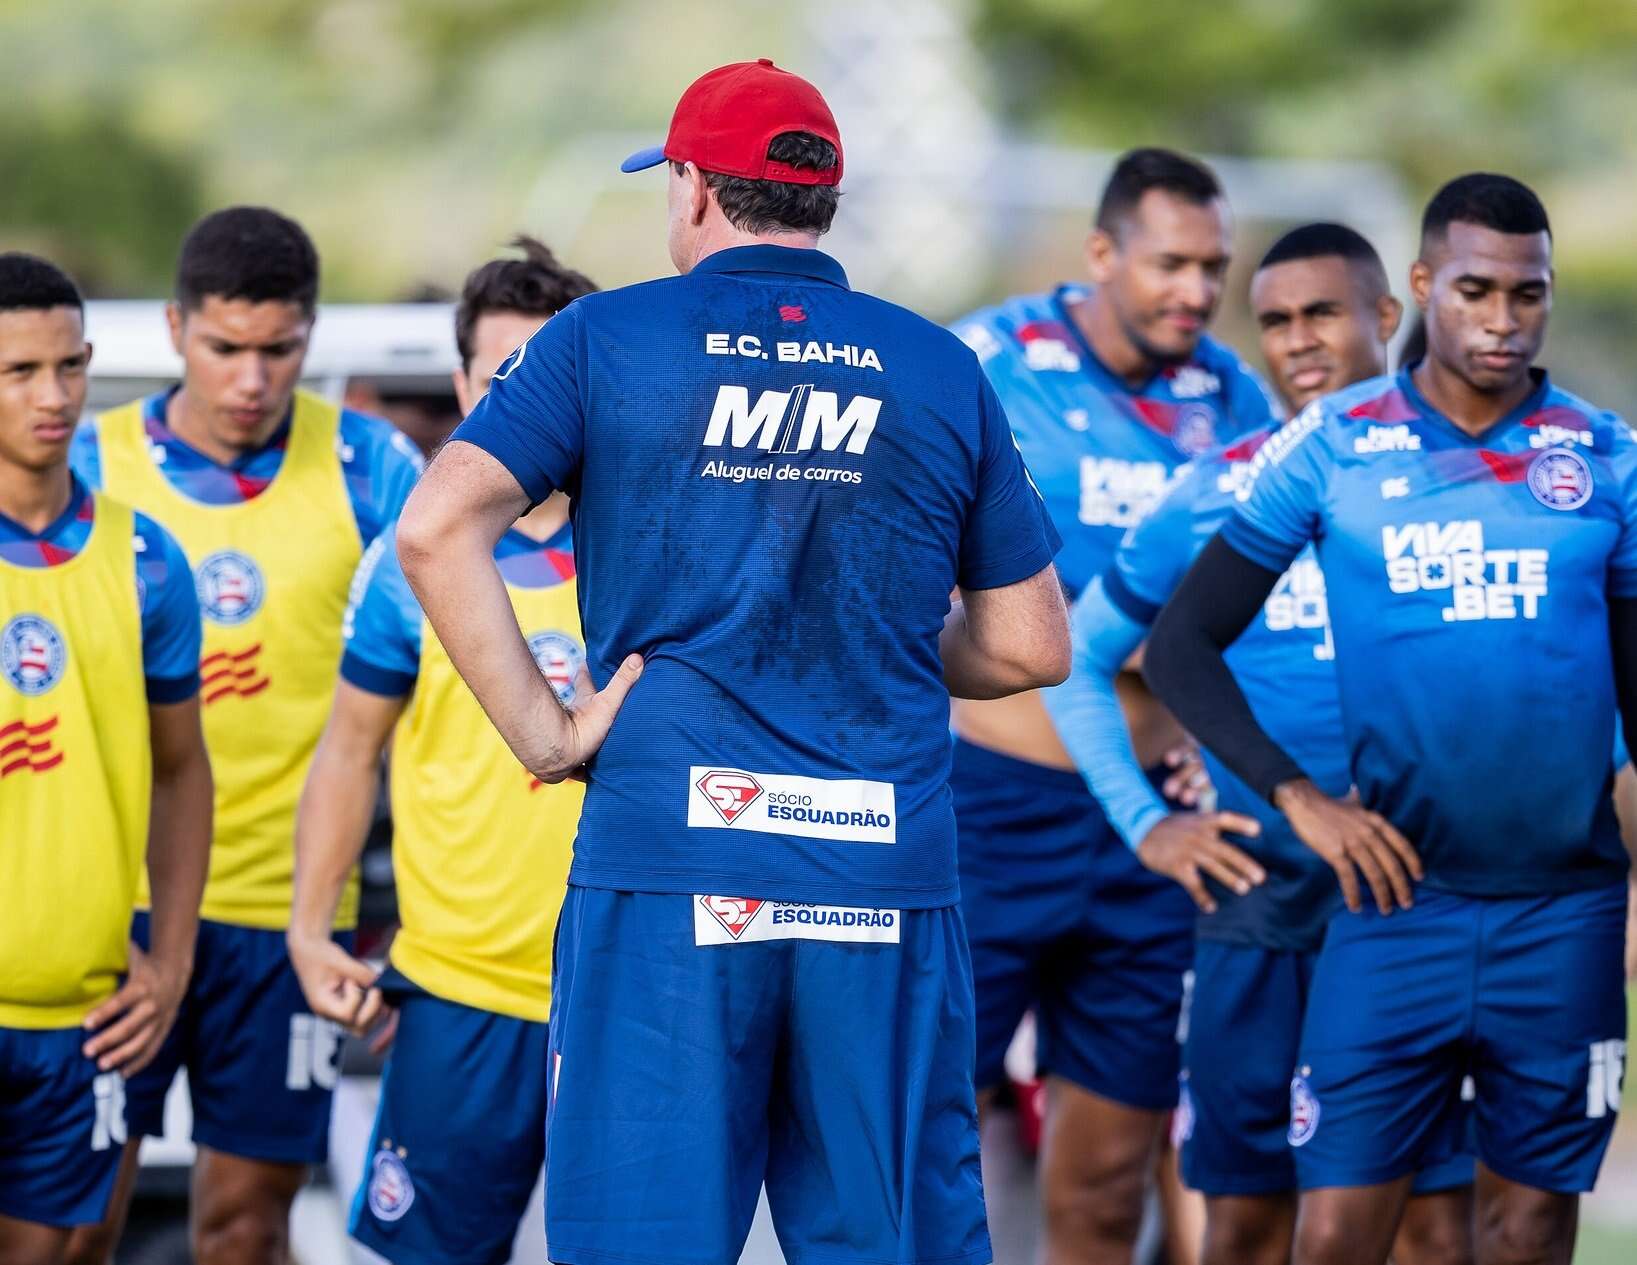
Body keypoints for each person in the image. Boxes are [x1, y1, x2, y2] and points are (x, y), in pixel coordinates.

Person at [392, 57, 1067, 1265]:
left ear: (693, 189)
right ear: (821, 199)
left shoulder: (606, 337)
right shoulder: (936, 364)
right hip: (881, 868)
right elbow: (1026, 643)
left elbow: (438, 526)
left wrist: (548, 735)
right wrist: (883, 644)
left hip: (669, 856)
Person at [1144, 174, 1636, 1265]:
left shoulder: (1606, 457)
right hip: (1391, 902)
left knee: (1525, 1228)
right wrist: (1300, 798)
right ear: (1420, 286)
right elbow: (1180, 645)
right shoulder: (1331, 445)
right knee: (1331, 1233)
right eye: (1472, 290)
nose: (1501, 320)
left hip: (1563, 914)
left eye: (1527, 293)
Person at [1048, 223, 1479, 1265]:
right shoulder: (1208, 495)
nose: (1296, 340)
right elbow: (1073, 660)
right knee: (1242, 1220)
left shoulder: (1471, 482)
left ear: (1385, 317)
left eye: (1322, 312)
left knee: (1430, 1224)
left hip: (1420, 901)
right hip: (1255, 907)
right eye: (1274, 320)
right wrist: (1148, 823)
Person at [66, 208, 423, 1265]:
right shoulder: (85, 469)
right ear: (177, 328)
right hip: (117, 914)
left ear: (310, 335)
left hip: (290, 921)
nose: (253, 377)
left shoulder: (372, 469)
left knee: (242, 1228)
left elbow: (437, 702)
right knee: (71, 1226)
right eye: (227, 347)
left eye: (280, 349)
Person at [947, 146, 1279, 1265]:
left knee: (1101, 1188)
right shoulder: (986, 360)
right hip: (988, 802)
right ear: (1101, 252)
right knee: (924, 1148)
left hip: (1147, 823)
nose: (1195, 289)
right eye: (1170, 262)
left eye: (1212, 266)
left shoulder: (1232, 393)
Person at [287, 235, 595, 1265]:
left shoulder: (654, 550)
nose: (526, 392)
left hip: (632, 989)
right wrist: (309, 923)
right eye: (503, 371)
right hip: (460, 992)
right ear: (464, 383)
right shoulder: (409, 562)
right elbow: (346, 752)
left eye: (550, 368)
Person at [0, 253, 211, 1265]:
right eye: (18, 371)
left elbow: (182, 772)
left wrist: (169, 961)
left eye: (68, 365)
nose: (53, 395)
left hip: (82, 1015)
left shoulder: (148, 559)